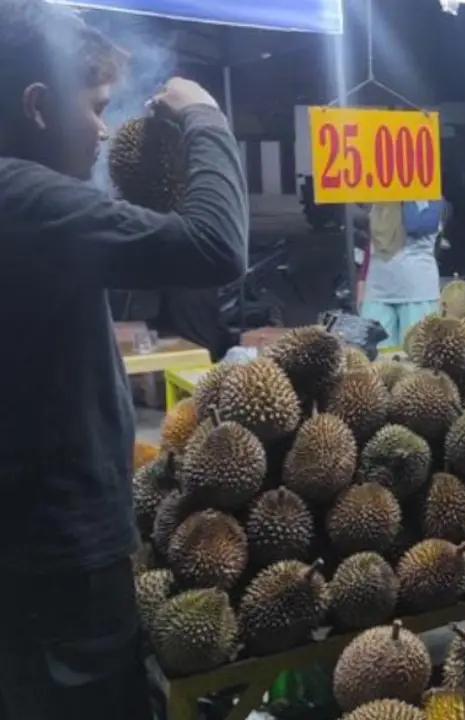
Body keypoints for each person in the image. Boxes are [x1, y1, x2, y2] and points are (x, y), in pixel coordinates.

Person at [0, 1, 248, 717]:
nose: (106, 129)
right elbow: (215, 247)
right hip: (60, 552)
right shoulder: (25, 198)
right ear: (38, 106)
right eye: (98, 106)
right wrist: (205, 117)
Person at [354, 198, 449, 348]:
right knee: (377, 361)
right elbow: (370, 245)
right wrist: (361, 283)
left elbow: (415, 224)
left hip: (418, 294)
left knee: (417, 359)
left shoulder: (432, 198)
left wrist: (402, 195)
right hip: (377, 293)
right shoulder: (378, 195)